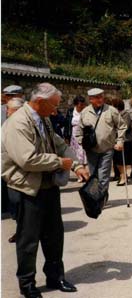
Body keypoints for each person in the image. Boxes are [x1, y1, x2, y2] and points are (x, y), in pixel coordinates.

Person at [2, 83, 89, 298]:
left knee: (54, 235)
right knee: (28, 239)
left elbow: (59, 144)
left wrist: (77, 164)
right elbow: (27, 159)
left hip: (47, 184)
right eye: (54, 105)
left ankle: (55, 276)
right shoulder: (17, 123)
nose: (56, 110)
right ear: (40, 102)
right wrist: (60, 162)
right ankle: (27, 283)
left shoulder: (44, 118)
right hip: (27, 188)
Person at [76, 88, 126, 202]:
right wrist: (81, 141)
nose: (100, 99)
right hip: (91, 150)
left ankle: (101, 200)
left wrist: (119, 141)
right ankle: (95, 196)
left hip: (107, 149)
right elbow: (79, 129)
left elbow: (122, 126)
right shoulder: (85, 112)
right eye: (97, 97)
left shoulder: (111, 110)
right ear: (91, 99)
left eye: (101, 96)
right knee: (93, 176)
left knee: (103, 176)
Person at [3, 97, 25, 244]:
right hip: (9, 172)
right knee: (15, 203)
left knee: (20, 202)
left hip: (23, 173)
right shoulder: (6, 124)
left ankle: (23, 232)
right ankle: (21, 229)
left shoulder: (26, 125)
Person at [111, 98, 132, 186]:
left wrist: (114, 128)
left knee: (122, 161)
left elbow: (124, 127)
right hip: (116, 140)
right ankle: (123, 176)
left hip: (125, 140)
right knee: (118, 161)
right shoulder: (114, 114)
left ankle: (123, 177)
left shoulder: (125, 114)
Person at [64, 96, 88, 182]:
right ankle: (79, 175)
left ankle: (84, 173)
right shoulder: (71, 112)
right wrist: (66, 137)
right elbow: (67, 124)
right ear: (76, 104)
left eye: (83, 104)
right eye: (80, 105)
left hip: (83, 135)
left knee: (83, 154)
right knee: (75, 155)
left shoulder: (86, 111)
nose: (82, 106)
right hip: (73, 136)